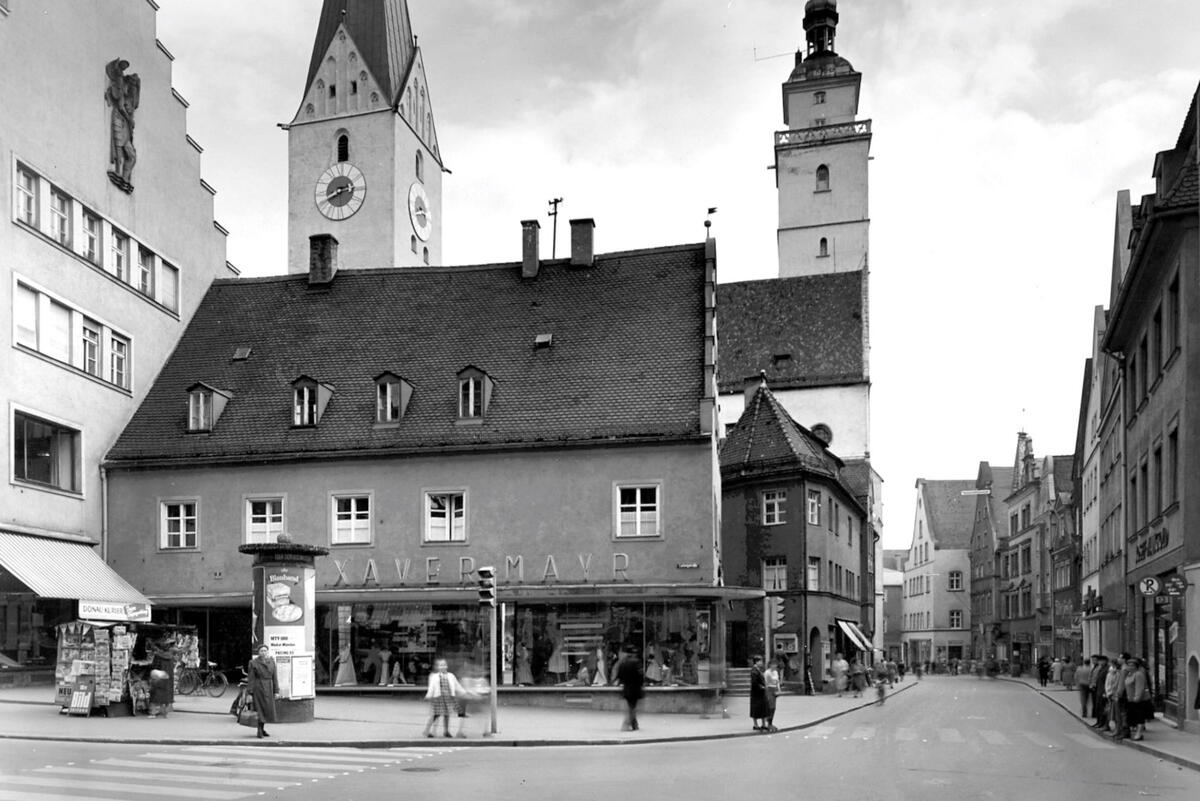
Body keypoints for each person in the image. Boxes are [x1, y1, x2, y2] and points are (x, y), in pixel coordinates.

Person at [423, 658, 463, 738]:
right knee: (435, 715)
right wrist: (428, 695)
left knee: (447, 715)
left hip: (448, 697)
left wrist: (463, 692)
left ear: (447, 666)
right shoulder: (434, 676)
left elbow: (457, 685)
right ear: (438, 667)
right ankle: (427, 730)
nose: (443, 667)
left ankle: (446, 731)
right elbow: (431, 687)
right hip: (438, 698)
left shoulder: (451, 676)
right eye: (441, 665)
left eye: (444, 665)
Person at [246, 644, 279, 739]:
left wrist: (276, 691)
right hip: (258, 688)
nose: (263, 652)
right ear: (258, 652)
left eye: (265, 650)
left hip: (269, 687)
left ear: (267, 651)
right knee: (259, 709)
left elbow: (275, 677)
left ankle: (262, 728)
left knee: (267, 709)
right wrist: (250, 692)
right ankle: (259, 730)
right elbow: (251, 678)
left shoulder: (272, 662)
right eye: (261, 651)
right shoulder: (253, 663)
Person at [616, 647, 645, 732]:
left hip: (626, 688)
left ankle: (634, 723)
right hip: (635, 689)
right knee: (632, 707)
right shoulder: (637, 663)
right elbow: (641, 678)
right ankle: (629, 723)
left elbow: (619, 675)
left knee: (630, 706)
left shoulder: (624, 663)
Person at [1123, 656, 1152, 741]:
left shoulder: (1138, 674)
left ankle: (1139, 734)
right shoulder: (1129, 674)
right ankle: (1135, 733)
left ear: (1136, 666)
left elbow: (1140, 688)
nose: (1130, 667)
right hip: (1130, 700)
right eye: (1129, 665)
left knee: (1140, 717)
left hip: (1139, 701)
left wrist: (1137, 698)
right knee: (1133, 717)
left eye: (1132, 665)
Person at [749, 655, 769, 731]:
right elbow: (754, 683)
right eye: (760, 661)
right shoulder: (754, 671)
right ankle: (755, 724)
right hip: (756, 693)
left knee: (763, 708)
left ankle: (763, 724)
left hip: (760, 693)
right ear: (756, 662)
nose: (762, 663)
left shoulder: (758, 669)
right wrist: (762, 687)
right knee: (756, 709)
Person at [763, 658, 782, 732]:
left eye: (776, 664)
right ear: (770, 665)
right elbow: (766, 683)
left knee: (773, 707)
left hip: (775, 689)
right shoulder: (767, 673)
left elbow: (777, 681)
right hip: (769, 689)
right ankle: (768, 723)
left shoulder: (775, 672)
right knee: (770, 707)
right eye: (774, 664)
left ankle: (770, 722)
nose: (775, 666)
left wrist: (779, 690)